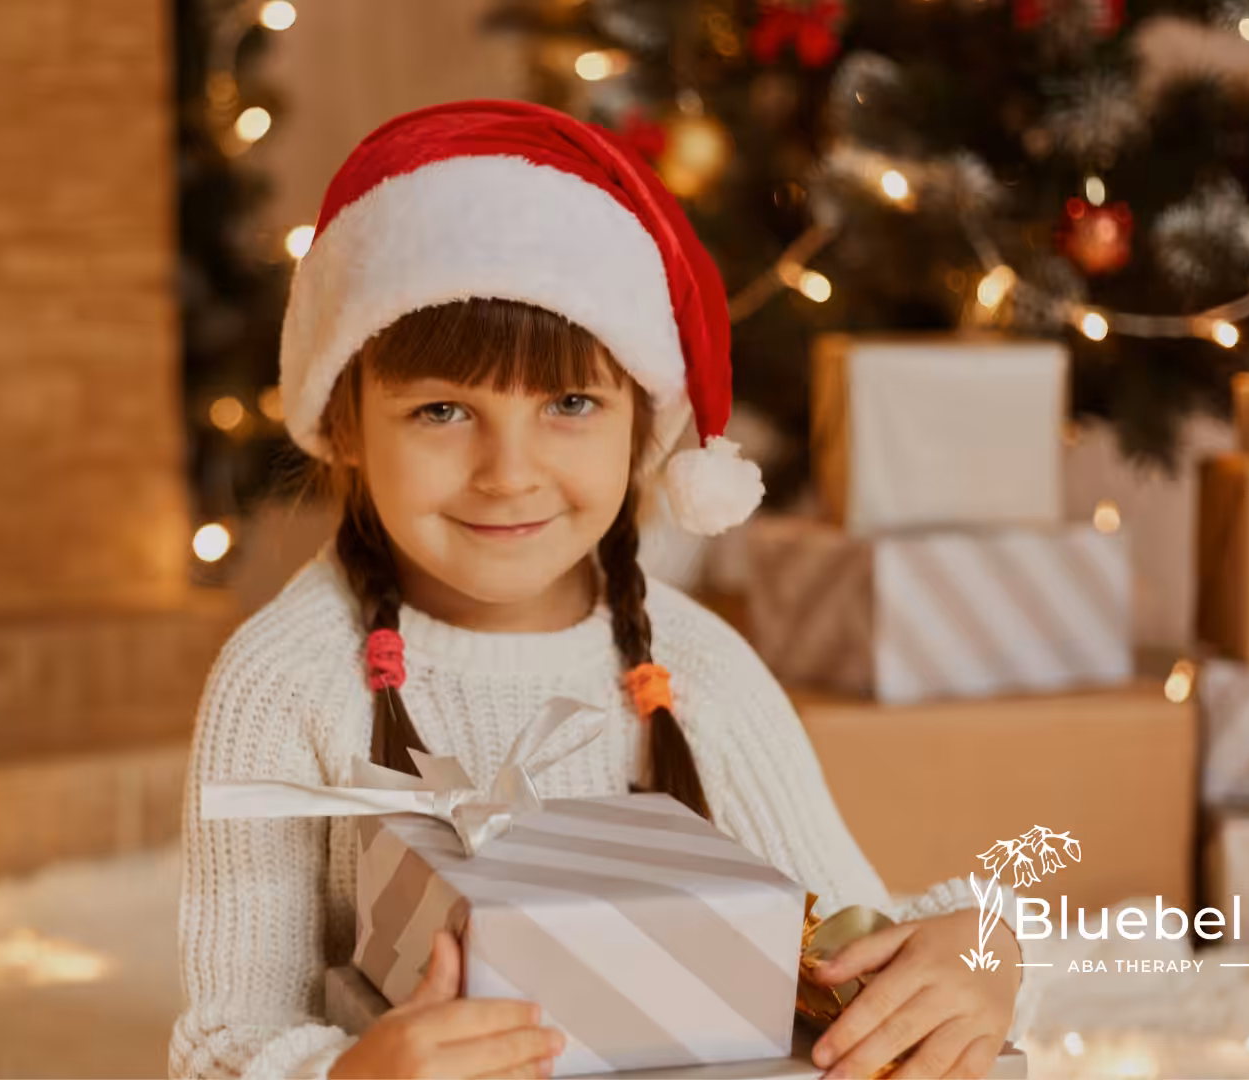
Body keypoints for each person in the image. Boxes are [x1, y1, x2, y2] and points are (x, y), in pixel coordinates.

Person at [171, 99, 1030, 1080]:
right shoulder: (282, 684)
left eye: (570, 403)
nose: (509, 474)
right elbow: (224, 1038)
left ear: (640, 429)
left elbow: (847, 940)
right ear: (347, 425)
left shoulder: (694, 669)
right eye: (443, 410)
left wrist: (990, 955)